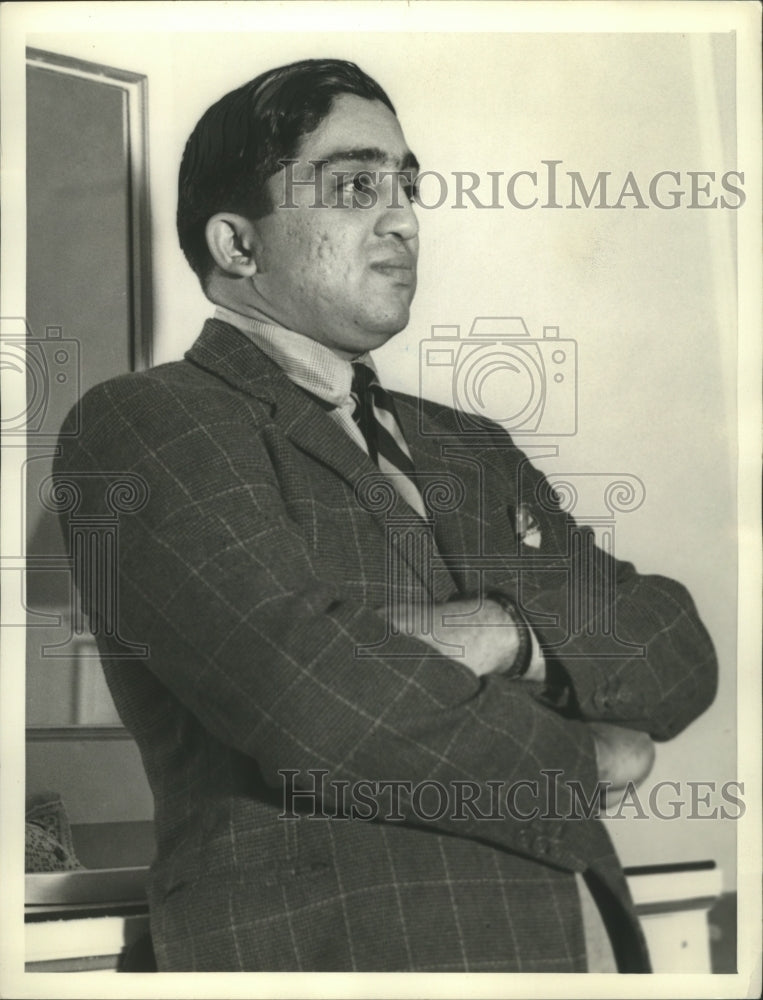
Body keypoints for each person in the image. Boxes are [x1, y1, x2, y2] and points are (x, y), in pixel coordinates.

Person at [53, 58, 718, 973]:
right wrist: (587, 761)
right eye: (356, 187)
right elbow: (309, 695)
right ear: (237, 245)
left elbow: (677, 653)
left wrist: (504, 634)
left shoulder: (469, 446)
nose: (403, 217)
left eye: (407, 186)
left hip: (573, 950)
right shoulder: (148, 423)